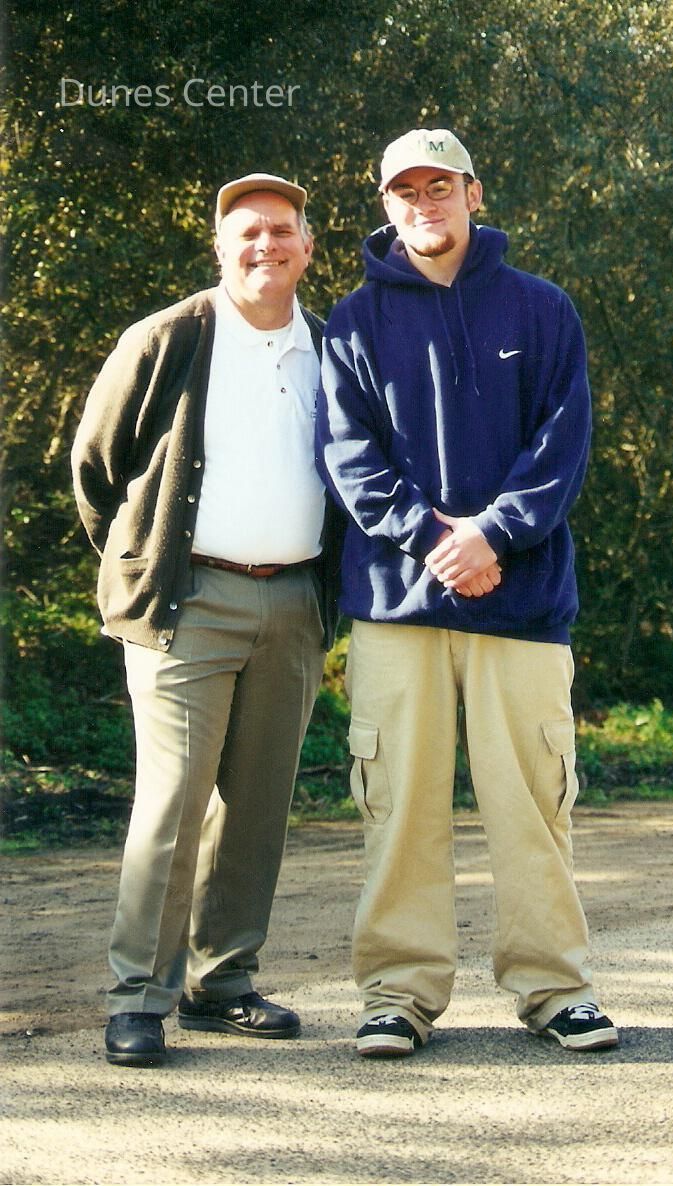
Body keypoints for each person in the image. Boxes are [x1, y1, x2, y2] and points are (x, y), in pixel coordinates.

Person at [316, 129, 618, 1057]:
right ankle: (397, 995)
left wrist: (491, 536)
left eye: (439, 187)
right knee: (398, 807)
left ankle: (554, 988)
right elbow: (348, 459)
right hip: (396, 608)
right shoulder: (351, 323)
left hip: (521, 605)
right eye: (405, 191)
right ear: (386, 206)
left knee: (532, 806)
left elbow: (561, 446)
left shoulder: (542, 308)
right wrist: (434, 540)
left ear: (473, 193)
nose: (424, 204)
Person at [72, 172, 341, 1067]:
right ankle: (138, 999)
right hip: (186, 602)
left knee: (257, 806)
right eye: (247, 232)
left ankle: (221, 983)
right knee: (173, 802)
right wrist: (144, 562)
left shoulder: (332, 347)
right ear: (219, 247)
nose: (265, 245)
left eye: (281, 230)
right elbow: (96, 467)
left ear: (308, 246)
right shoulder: (167, 338)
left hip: (294, 602)